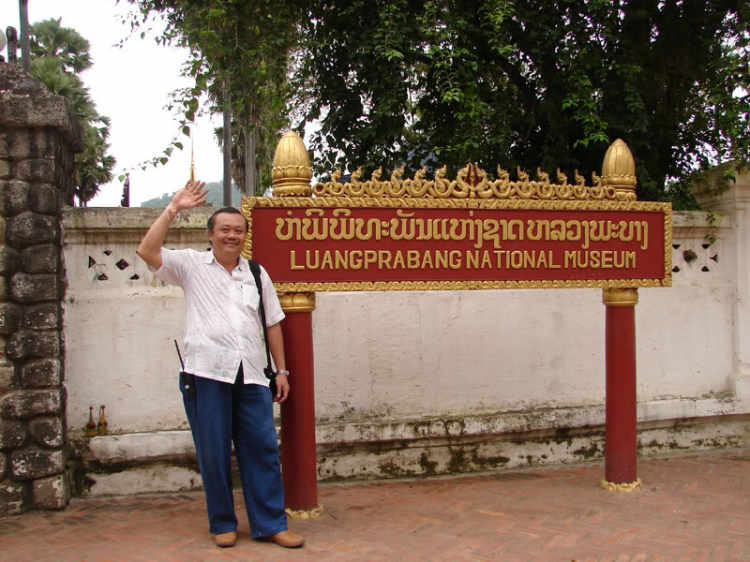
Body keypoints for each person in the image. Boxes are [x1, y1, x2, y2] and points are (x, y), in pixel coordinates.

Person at [137, 180, 304, 549]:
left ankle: (270, 524)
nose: (232, 235)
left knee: (261, 448)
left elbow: (273, 323)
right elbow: (147, 251)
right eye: (225, 230)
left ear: (246, 236)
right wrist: (173, 209)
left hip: (253, 374)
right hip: (206, 374)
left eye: (238, 230)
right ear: (210, 235)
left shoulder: (258, 274)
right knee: (213, 451)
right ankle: (222, 522)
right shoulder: (192, 265)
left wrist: (282, 371)